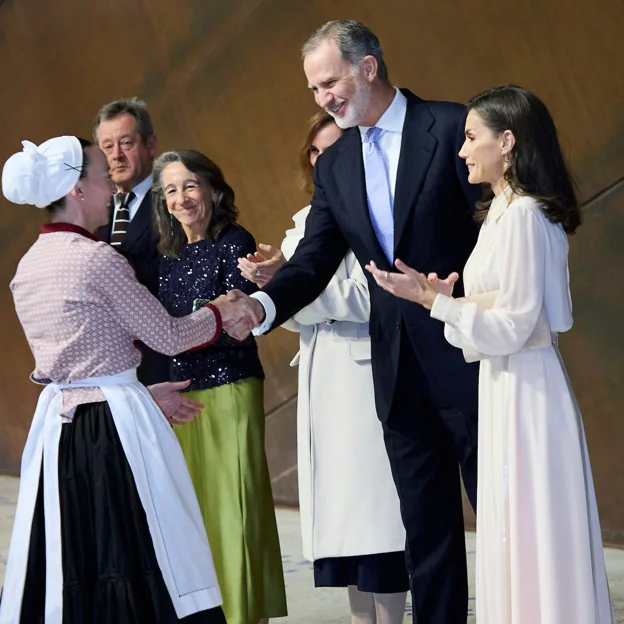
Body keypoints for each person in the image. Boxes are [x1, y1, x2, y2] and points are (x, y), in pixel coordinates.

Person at [229, 20, 481, 624]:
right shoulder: (336, 163)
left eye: (330, 83)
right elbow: (314, 258)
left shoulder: (452, 127)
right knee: (426, 531)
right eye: (314, 90)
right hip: (397, 371)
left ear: (368, 67)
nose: (323, 99)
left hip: (471, 356)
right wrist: (262, 307)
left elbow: (494, 226)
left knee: (502, 512)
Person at [366, 85, 615, 623]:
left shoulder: (525, 213)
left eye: (471, 138)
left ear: (507, 142)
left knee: (534, 525)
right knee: (514, 525)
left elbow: (519, 323)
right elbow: (505, 311)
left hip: (526, 387)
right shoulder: (502, 209)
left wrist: (438, 304)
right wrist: (442, 299)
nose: (462, 151)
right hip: (506, 383)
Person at [0, 135, 256, 623]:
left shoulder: (28, 266)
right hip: (112, 432)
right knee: (143, 549)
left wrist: (136, 392)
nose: (110, 187)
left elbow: (81, 361)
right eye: (100, 176)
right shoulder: (98, 259)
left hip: (60, 432)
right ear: (77, 191)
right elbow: (168, 335)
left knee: (75, 555)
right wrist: (220, 310)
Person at [239, 111, 409, 624]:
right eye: (315, 152)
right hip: (322, 374)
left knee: (377, 522)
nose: (323, 161)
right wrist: (280, 286)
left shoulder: (378, 211)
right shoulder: (303, 222)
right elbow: (295, 316)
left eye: (333, 148)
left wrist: (290, 289)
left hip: (363, 375)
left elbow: (369, 296)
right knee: (342, 528)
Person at [153, 149, 287, 624]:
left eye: (190, 185)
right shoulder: (164, 257)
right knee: (197, 516)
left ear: (212, 189)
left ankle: (245, 616)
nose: (182, 197)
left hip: (230, 388)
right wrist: (200, 314)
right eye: (171, 189)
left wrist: (183, 323)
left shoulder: (235, 241)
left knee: (236, 509)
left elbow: (235, 321)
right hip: (179, 395)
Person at [94, 97, 169, 384]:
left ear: (150, 144)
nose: (116, 156)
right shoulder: (98, 211)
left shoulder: (174, 198)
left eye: (126, 143)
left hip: (171, 360)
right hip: (123, 370)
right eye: (107, 147)